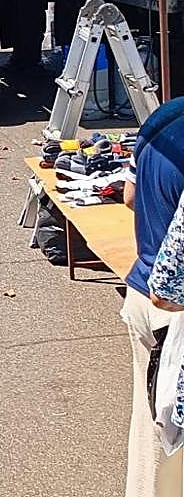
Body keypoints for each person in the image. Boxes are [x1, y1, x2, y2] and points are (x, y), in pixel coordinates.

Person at [120, 97, 184, 497]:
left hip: (141, 298)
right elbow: (169, 287)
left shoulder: (165, 115)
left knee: (151, 442)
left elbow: (129, 196)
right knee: (172, 455)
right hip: (171, 314)